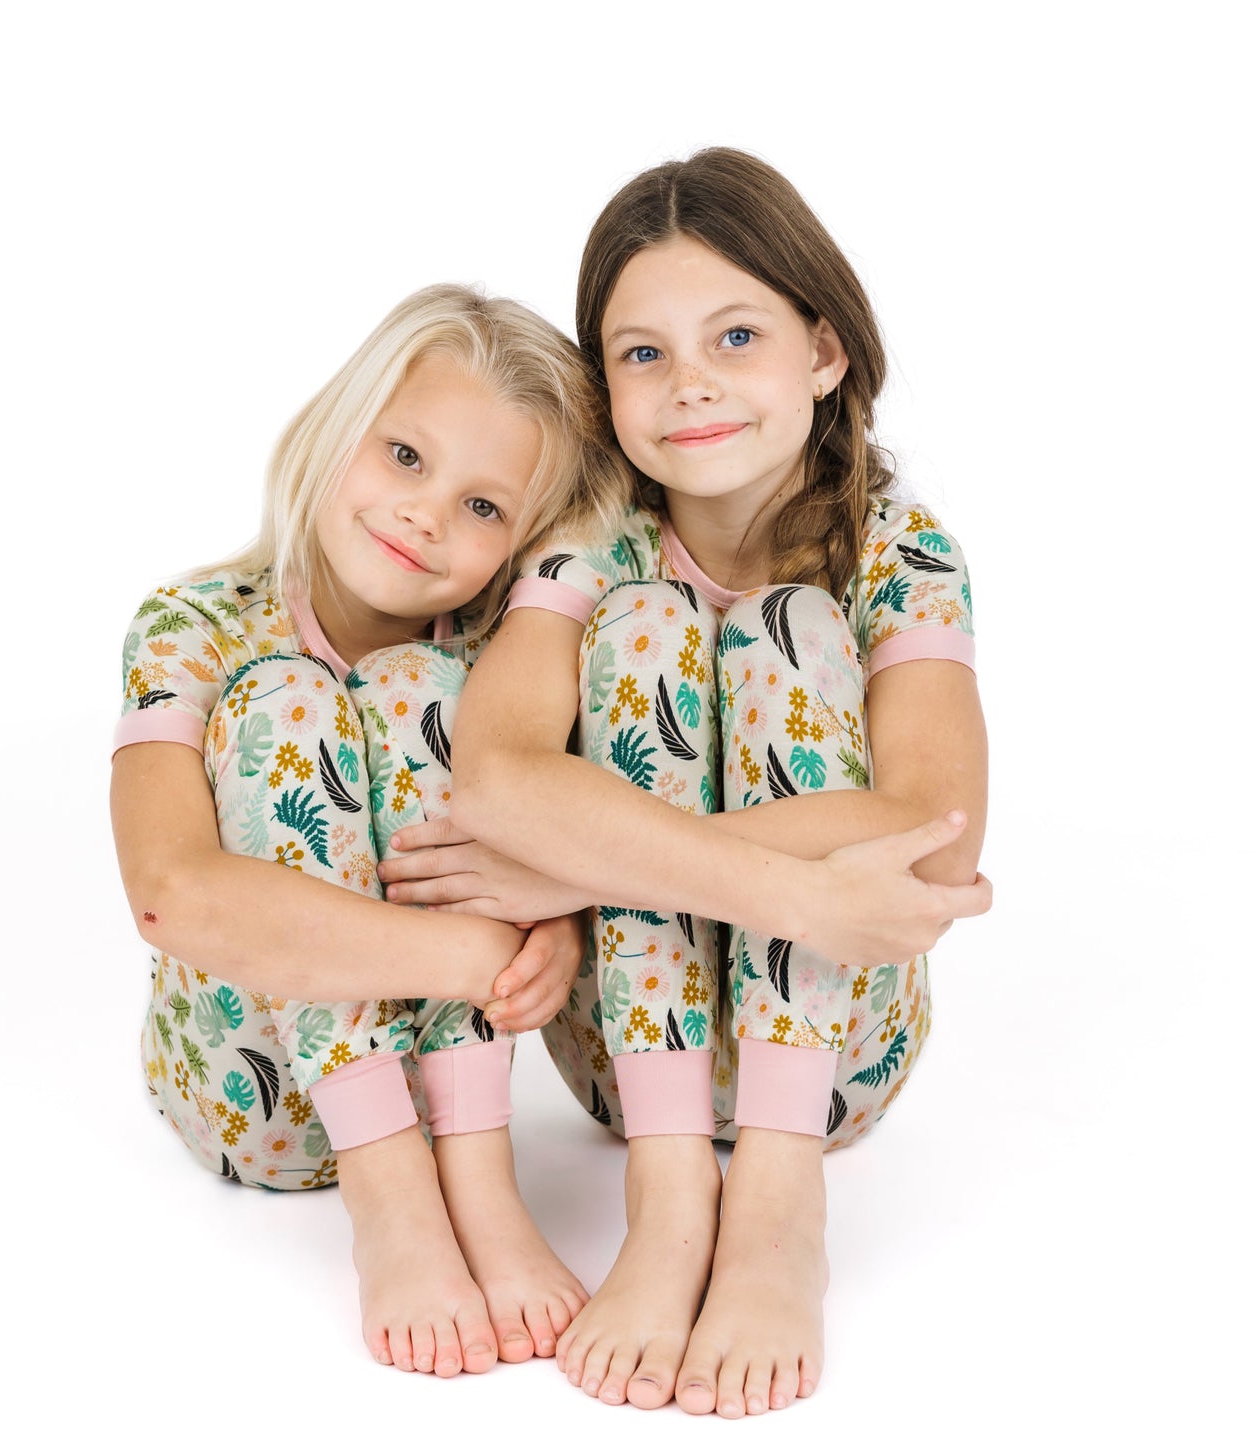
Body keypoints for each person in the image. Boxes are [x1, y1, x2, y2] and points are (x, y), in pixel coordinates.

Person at [378, 149, 991, 1417]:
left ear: (821, 353)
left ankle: (772, 1204)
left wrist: (578, 855)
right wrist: (779, 879)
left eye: (733, 334)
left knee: (785, 632)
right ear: (603, 390)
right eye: (641, 353)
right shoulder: (590, 541)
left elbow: (931, 840)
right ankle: (665, 1199)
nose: (690, 381)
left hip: (834, 1061)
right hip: (614, 1051)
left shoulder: (897, 544)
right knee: (649, 626)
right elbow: (493, 775)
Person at [110, 284, 631, 1379]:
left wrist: (561, 924)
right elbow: (173, 894)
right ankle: (393, 1200)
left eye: (485, 506)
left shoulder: (499, 650)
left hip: (458, 1097)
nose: (427, 513)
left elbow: (552, 851)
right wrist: (477, 951)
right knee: (282, 702)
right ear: (337, 426)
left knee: (429, 694)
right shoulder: (197, 624)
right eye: (404, 455)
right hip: (259, 1095)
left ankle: (481, 1189)